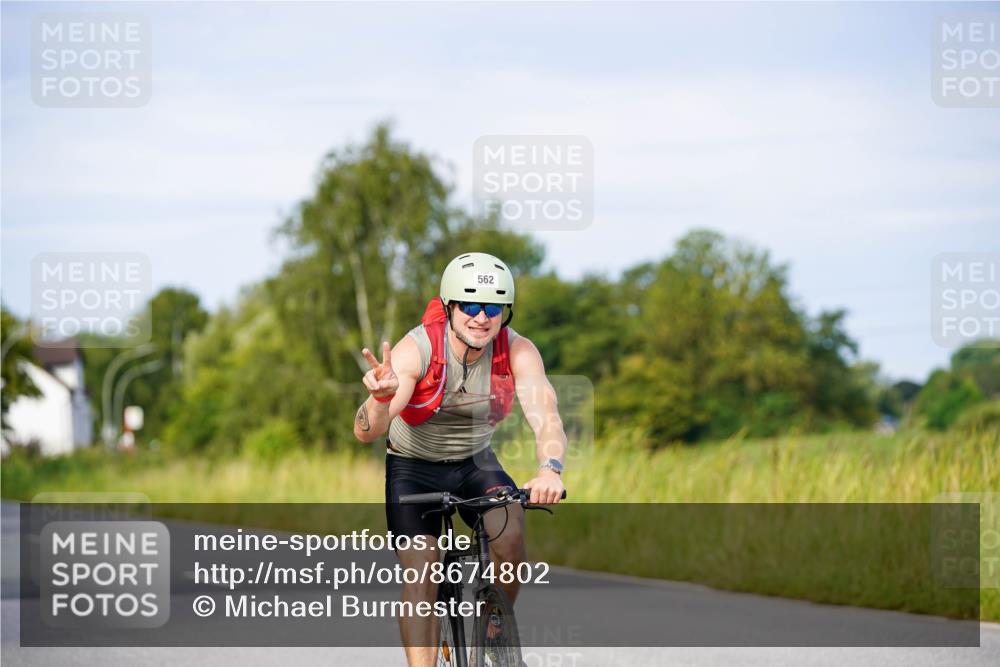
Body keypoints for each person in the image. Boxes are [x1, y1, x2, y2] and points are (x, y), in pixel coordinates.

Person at [353, 251, 567, 667]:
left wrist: (550, 469)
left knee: (510, 533)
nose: (481, 317)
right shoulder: (417, 350)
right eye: (470, 305)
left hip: (474, 462)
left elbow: (548, 418)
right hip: (412, 467)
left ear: (505, 312)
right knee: (422, 572)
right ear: (450, 307)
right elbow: (366, 431)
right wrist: (379, 400)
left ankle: (493, 629)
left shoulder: (517, 351)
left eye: (494, 307)